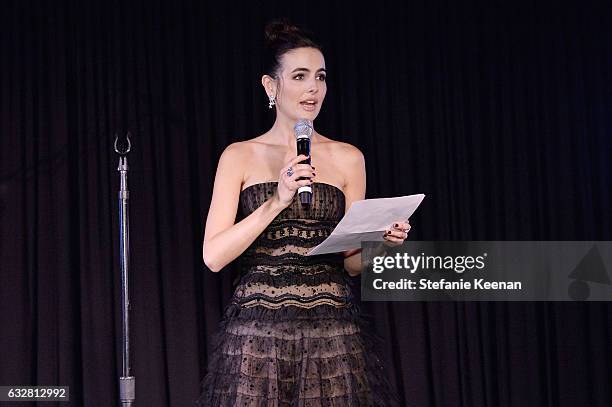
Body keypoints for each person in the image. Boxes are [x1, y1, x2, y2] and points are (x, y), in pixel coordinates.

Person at [196, 18, 410, 406]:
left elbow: (352, 264)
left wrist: (380, 239)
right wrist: (277, 199)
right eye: (299, 76)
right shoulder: (239, 155)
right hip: (257, 335)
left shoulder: (348, 158)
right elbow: (213, 256)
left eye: (321, 77)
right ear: (270, 86)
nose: (313, 88)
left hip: (332, 333)